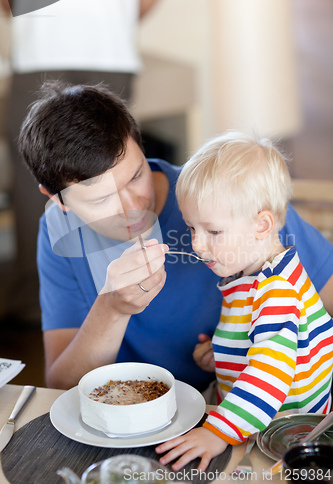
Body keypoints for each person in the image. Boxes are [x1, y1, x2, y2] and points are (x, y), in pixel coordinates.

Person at [18, 82, 333, 393]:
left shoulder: (229, 199)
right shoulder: (59, 231)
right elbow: (61, 386)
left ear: (142, 147)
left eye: (136, 176)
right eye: (102, 201)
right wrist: (112, 309)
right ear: (58, 200)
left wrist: (260, 352)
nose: (132, 208)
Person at [155, 132, 333, 471]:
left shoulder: (277, 290)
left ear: (262, 225)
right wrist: (224, 355)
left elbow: (269, 375)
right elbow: (268, 349)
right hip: (254, 416)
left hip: (280, 437)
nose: (198, 245)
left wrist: (217, 433)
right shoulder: (253, 274)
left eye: (213, 232)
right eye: (192, 229)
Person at [0, 0, 164, 318]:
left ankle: (40, 301)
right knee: (110, 177)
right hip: (105, 46)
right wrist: (117, 18)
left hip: (41, 46)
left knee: (44, 180)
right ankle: (122, 290)